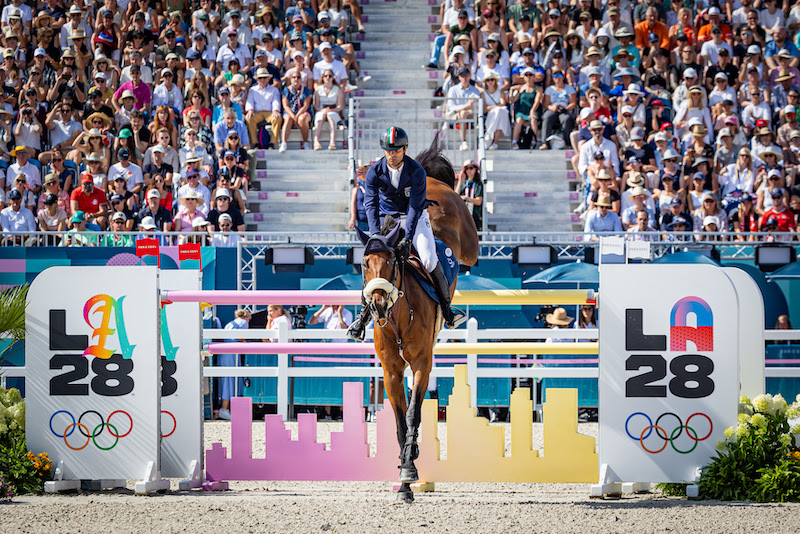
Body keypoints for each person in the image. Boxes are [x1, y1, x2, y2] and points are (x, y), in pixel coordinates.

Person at [348, 126, 462, 341]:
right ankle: (362, 318)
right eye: (389, 150)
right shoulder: (375, 171)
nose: (393, 154)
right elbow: (371, 204)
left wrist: (408, 238)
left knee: (428, 259)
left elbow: (415, 207)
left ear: (405, 149)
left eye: (397, 150)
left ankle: (447, 311)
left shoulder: (416, 170)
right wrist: (375, 237)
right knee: (375, 261)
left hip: (416, 219)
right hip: (387, 220)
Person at [218, 308, 251, 420]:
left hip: (224, 353)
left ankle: (225, 408)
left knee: (227, 380)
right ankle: (225, 408)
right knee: (231, 380)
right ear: (247, 317)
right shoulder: (243, 322)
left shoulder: (230, 324)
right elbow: (241, 337)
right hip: (232, 354)